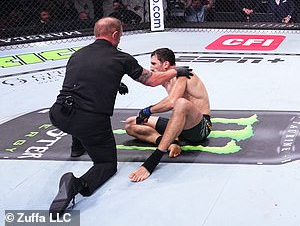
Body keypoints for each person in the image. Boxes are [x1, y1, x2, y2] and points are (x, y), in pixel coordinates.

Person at [48, 17, 192, 215]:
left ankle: (76, 147)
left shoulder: (78, 55)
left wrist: (115, 81)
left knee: (77, 111)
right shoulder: (120, 58)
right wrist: (175, 71)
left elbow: (85, 81)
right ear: (115, 35)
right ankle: (77, 184)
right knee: (106, 164)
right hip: (89, 121)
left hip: (58, 115)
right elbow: (151, 80)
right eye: (120, 35)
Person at [126, 48, 211, 182]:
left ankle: (153, 160)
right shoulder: (167, 79)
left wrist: (148, 110)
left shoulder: (182, 75)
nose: (151, 67)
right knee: (131, 123)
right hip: (182, 125)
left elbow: (172, 103)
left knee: (180, 103)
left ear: (165, 64)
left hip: (200, 128)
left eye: (154, 64)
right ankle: (170, 143)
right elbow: (175, 113)